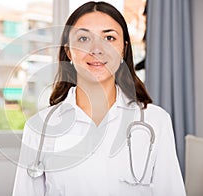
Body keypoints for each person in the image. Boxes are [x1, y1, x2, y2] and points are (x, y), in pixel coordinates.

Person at [12, 1, 186, 195]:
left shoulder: (155, 121)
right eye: (84, 38)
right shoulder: (40, 128)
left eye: (109, 37)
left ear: (123, 49)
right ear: (68, 51)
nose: (97, 49)